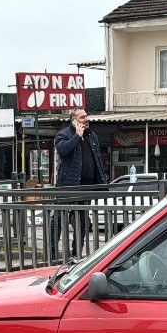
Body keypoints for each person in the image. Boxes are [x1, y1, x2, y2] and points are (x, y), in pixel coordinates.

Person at [52, 108, 106, 259]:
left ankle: (76, 254)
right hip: (67, 186)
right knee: (58, 220)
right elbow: (63, 151)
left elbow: (96, 159)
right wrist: (77, 136)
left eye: (86, 116)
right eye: (82, 117)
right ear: (74, 120)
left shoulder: (92, 136)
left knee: (83, 222)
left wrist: (101, 180)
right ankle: (52, 254)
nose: (86, 119)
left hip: (85, 187)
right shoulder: (63, 134)